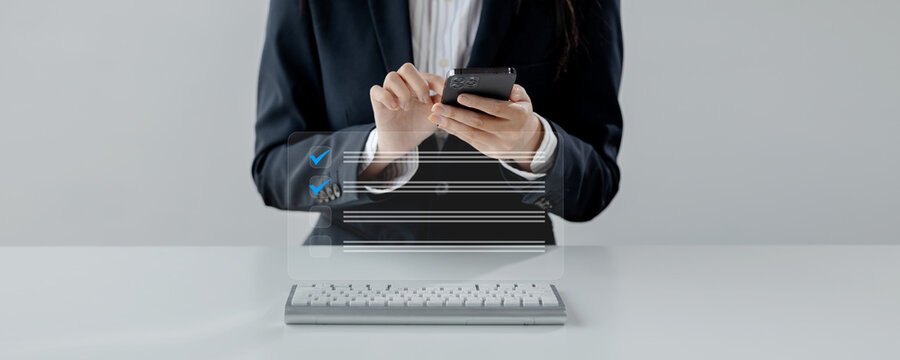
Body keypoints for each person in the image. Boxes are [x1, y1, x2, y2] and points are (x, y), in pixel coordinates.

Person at [253, 0, 623, 244]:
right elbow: (275, 173)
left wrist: (534, 145)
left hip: (510, 279)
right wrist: (376, 151)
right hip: (350, 273)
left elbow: (595, 189)